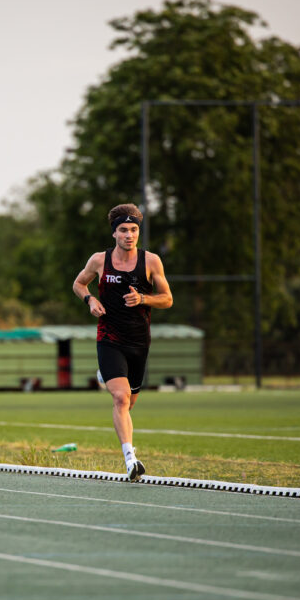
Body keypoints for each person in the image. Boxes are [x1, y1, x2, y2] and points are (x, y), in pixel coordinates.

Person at [72, 203, 173, 481]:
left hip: (139, 341)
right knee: (120, 397)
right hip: (109, 337)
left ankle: (106, 377)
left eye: (134, 230)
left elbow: (167, 298)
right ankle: (130, 459)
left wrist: (142, 298)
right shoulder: (99, 261)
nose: (129, 235)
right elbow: (79, 284)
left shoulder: (151, 261)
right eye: (124, 230)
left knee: (129, 403)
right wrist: (90, 299)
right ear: (114, 233)